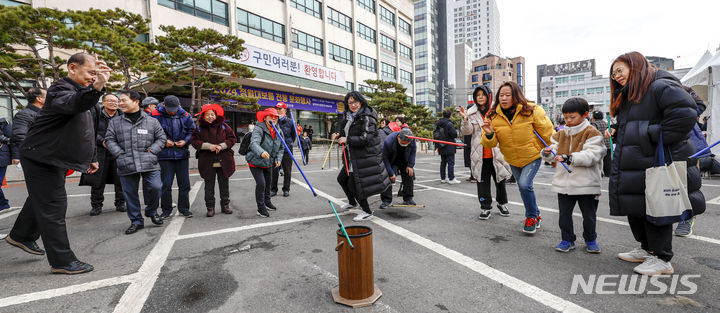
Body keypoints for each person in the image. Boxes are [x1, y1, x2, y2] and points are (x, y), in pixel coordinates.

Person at [6, 52, 109, 275]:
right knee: (53, 206)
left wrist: (91, 157)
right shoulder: (60, 90)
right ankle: (62, 261)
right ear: (72, 68)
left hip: (53, 156)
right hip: (41, 156)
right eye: (91, 72)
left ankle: (20, 235)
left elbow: (87, 130)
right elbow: (75, 104)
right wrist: (97, 87)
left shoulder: (83, 93)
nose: (94, 77)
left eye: (96, 73)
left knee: (41, 199)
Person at [608, 51, 703, 276]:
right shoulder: (631, 92)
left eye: (620, 70)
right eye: (613, 74)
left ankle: (662, 258)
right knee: (638, 207)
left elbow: (686, 115)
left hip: (657, 159)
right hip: (637, 159)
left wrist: (650, 134)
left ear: (636, 65)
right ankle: (647, 249)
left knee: (656, 207)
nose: (616, 76)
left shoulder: (660, 85)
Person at [480, 81, 555, 234]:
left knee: (524, 185)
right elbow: (490, 144)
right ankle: (537, 214)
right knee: (525, 188)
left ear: (516, 95)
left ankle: (531, 217)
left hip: (532, 156)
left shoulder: (532, 110)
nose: (504, 98)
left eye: (508, 95)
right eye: (501, 95)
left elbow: (548, 132)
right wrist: (489, 133)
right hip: (512, 158)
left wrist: (554, 149)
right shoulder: (492, 116)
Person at [540, 98, 605, 253]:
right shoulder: (560, 133)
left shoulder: (592, 132)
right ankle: (567, 239)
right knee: (564, 216)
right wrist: (547, 153)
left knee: (589, 217)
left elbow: (593, 155)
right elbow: (552, 152)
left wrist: (570, 158)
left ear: (585, 115)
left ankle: (590, 239)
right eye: (566, 117)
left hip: (587, 184)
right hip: (564, 184)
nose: (568, 121)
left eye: (572, 117)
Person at [105, 90, 166, 235]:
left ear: (136, 102)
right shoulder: (115, 122)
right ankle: (136, 221)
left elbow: (161, 138)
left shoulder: (151, 121)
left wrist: (152, 150)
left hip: (149, 161)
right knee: (130, 194)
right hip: (126, 162)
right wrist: (119, 153)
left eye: (124, 100)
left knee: (156, 187)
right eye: (120, 101)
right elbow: (109, 139)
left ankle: (151, 211)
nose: (120, 103)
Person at [333, 91, 390, 221]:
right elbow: (344, 133)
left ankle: (367, 211)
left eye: (355, 102)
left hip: (363, 157)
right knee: (342, 179)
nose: (353, 105)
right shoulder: (349, 117)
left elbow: (365, 139)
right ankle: (352, 202)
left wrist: (347, 140)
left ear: (361, 101)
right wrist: (337, 135)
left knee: (355, 185)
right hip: (352, 156)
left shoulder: (366, 117)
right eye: (350, 103)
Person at [459, 85, 512, 220]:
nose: (480, 97)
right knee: (482, 182)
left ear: (488, 96)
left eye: (483, 94)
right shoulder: (471, 113)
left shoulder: (496, 111)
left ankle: (501, 203)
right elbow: (467, 131)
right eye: (478, 95)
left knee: (500, 180)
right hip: (479, 154)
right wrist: (465, 119)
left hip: (497, 152)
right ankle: (485, 207)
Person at [80, 93, 125, 216]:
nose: (113, 103)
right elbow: (90, 131)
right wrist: (102, 141)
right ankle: (96, 205)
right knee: (98, 181)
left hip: (118, 151)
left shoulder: (123, 115)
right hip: (99, 152)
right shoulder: (95, 114)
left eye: (116, 101)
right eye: (110, 101)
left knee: (120, 179)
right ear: (103, 103)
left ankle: (121, 203)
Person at [151, 95, 195, 218]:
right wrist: (163, 142)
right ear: (163, 105)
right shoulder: (154, 114)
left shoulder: (185, 115)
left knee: (184, 184)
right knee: (166, 184)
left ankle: (184, 208)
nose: (172, 111)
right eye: (170, 109)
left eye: (175, 108)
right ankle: (166, 210)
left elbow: (192, 131)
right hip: (164, 156)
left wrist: (185, 141)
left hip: (182, 154)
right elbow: (150, 132)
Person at [190, 103, 237, 217]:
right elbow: (194, 141)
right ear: (203, 116)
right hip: (207, 162)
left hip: (224, 161)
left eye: (212, 114)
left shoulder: (224, 126)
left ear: (216, 116)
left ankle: (225, 205)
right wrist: (208, 146)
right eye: (208, 115)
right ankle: (210, 207)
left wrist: (221, 146)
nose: (210, 116)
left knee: (224, 185)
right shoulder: (199, 129)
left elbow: (233, 139)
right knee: (209, 186)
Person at [675, 86, 709, 237]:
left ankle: (687, 218)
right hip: (661, 141)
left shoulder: (681, 89)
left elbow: (700, 105)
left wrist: (685, 110)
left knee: (688, 181)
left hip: (689, 143)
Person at [246, 108, 284, 218]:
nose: (274, 118)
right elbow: (254, 143)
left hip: (269, 162)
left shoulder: (279, 130)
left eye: (276, 116)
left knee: (269, 183)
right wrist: (261, 152)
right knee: (261, 183)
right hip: (255, 161)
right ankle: (260, 207)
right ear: (265, 118)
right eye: (271, 116)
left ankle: (267, 202)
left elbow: (281, 147)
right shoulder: (258, 129)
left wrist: (278, 158)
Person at [380, 128, 417, 209]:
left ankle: (408, 198)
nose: (406, 144)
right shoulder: (388, 141)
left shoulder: (411, 139)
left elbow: (413, 152)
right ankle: (386, 200)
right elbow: (385, 158)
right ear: (398, 138)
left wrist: (410, 165)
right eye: (403, 143)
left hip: (404, 160)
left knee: (409, 175)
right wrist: (390, 172)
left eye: (407, 143)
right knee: (388, 178)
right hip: (391, 160)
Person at [10, 87, 45, 165]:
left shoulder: (46, 114)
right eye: (48, 96)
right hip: (38, 159)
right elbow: (20, 136)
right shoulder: (24, 115)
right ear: (39, 99)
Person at [271, 102, 296, 197]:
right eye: (276, 108)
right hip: (275, 150)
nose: (277, 110)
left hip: (287, 150)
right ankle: (273, 189)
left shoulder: (290, 122)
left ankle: (286, 189)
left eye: (279, 109)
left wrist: (288, 144)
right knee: (274, 171)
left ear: (285, 110)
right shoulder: (274, 120)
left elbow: (293, 136)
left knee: (287, 171)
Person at [436, 109, 460, 184]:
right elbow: (454, 134)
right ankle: (451, 178)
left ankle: (443, 178)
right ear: (450, 116)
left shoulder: (438, 123)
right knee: (450, 163)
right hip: (449, 145)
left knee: (443, 162)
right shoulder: (449, 124)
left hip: (441, 145)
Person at [0, 117, 16, 211]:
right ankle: (3, 203)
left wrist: (16, 156)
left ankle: (3, 204)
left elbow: (13, 140)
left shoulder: (4, 123)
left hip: (1, 157)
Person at [590, 111, 611, 177]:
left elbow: (593, 134)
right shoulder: (606, 123)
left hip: (599, 144)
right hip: (608, 143)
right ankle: (608, 173)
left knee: (598, 159)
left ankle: (599, 173)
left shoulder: (593, 124)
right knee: (607, 160)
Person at [462, 101, 476, 183]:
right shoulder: (466, 117)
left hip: (472, 142)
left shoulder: (474, 118)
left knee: (472, 160)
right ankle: (472, 175)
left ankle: (474, 176)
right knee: (469, 160)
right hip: (467, 142)